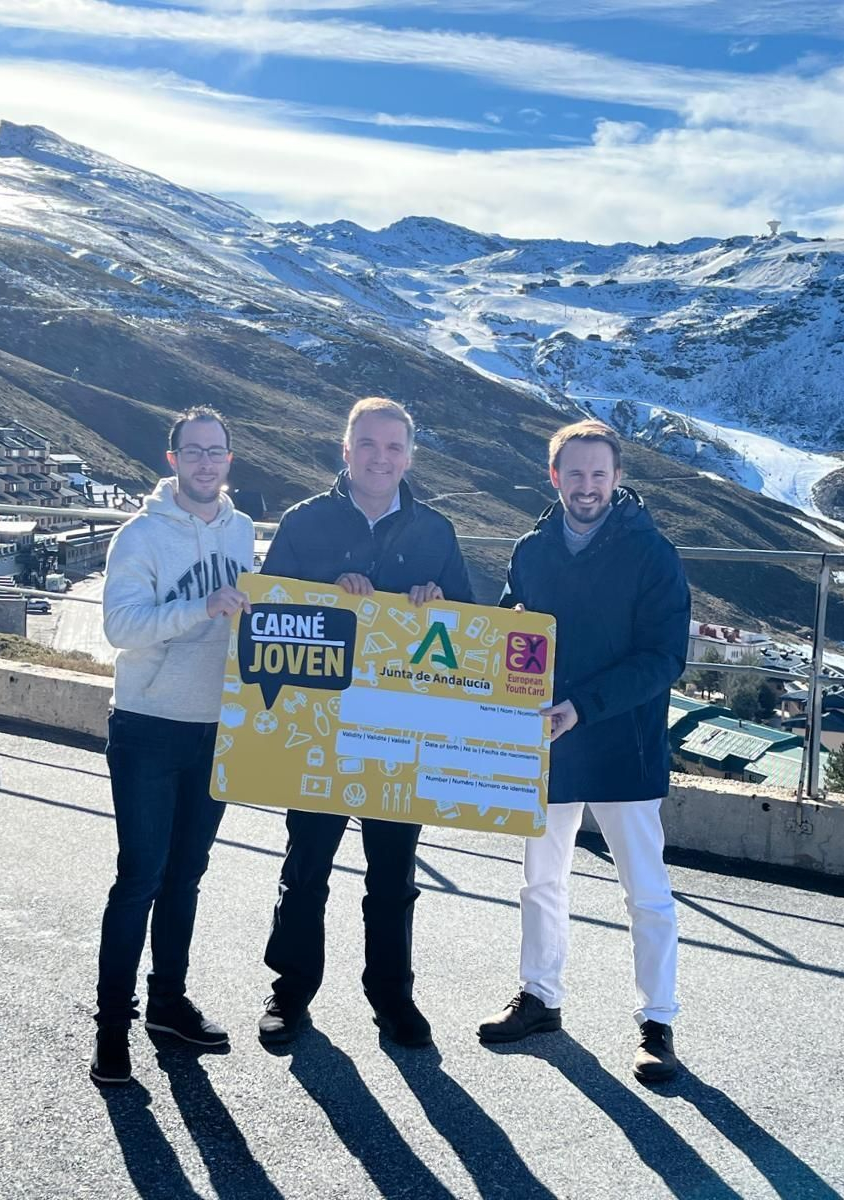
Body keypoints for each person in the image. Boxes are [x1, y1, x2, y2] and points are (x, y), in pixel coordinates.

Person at [477, 419, 691, 1084]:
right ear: (555, 477)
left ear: (617, 478)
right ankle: (539, 997)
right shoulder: (532, 549)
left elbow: (663, 659)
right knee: (541, 879)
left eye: (599, 473)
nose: (587, 485)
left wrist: (583, 706)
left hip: (621, 744)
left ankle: (657, 1024)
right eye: (575, 472)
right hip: (549, 744)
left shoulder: (652, 554)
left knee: (646, 892)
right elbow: (515, 632)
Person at [258, 396, 474, 1049]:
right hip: (317, 727)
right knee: (306, 866)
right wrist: (326, 597)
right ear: (345, 450)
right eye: (369, 445)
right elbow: (269, 621)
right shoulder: (304, 523)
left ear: (409, 456)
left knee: (393, 874)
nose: (381, 458)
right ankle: (290, 991)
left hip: (398, 732)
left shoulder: (436, 532)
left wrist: (437, 606)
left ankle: (392, 996)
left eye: (394, 447)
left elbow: (469, 631)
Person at [90, 406, 255, 1086]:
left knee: (186, 874)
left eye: (216, 452)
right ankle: (111, 1027)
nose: (206, 463)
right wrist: (203, 608)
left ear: (228, 461)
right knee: (140, 878)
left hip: (215, 728)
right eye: (194, 452)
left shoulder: (244, 531)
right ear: (173, 460)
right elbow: (120, 627)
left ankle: (169, 1004)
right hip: (149, 726)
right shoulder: (141, 536)